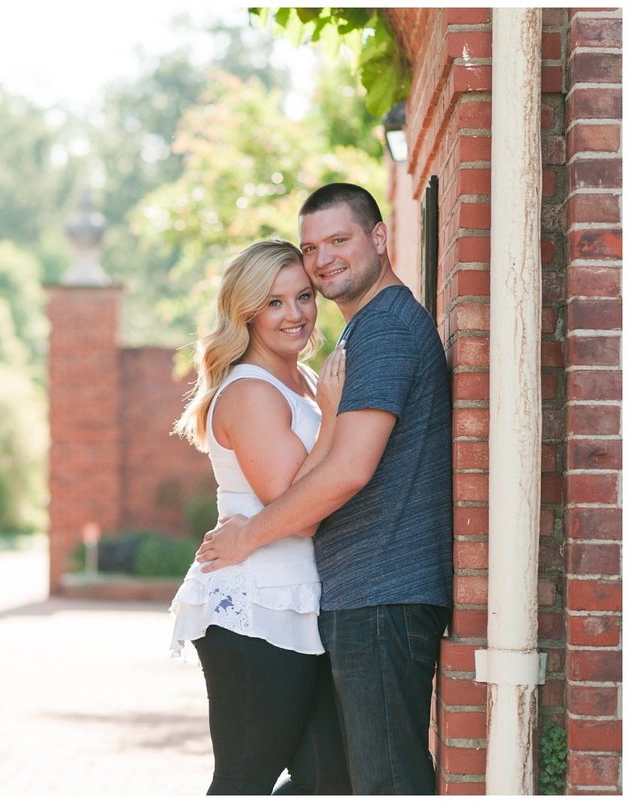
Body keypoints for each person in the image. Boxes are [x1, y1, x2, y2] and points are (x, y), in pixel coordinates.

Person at [196, 183, 453, 795]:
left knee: (345, 780)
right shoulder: (280, 380)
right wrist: (243, 541)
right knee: (266, 778)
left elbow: (346, 469)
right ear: (247, 312)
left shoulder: (369, 340)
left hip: (358, 591)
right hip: (270, 600)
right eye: (314, 246)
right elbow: (319, 481)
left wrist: (249, 534)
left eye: (339, 241)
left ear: (380, 237)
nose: (295, 310)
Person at [169, 239, 352, 796]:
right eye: (273, 302)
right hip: (254, 607)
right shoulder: (252, 390)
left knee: (328, 780)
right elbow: (296, 509)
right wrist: (336, 415)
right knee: (243, 781)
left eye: (302, 297)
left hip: (296, 599)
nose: (294, 314)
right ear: (246, 311)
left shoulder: (296, 382)